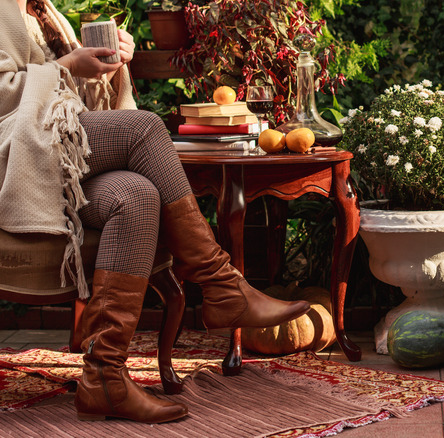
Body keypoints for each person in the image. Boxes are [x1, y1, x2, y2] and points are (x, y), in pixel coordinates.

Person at [0, 0, 311, 424]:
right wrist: (69, 64)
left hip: (55, 151)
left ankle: (103, 380)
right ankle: (222, 287)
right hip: (16, 151)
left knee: (137, 194)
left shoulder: (41, 9)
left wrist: (106, 66)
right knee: (143, 127)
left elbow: (73, 98)